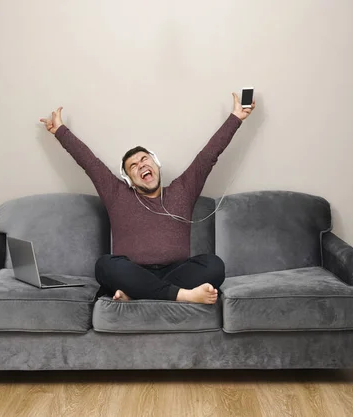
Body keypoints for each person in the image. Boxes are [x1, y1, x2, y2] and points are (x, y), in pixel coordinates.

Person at [40, 93, 256, 304]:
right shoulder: (117, 195)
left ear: (156, 164)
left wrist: (236, 117)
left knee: (214, 264)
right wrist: (60, 130)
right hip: (132, 271)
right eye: (133, 166)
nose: (141, 165)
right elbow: (89, 162)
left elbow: (208, 156)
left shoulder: (182, 190)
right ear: (129, 179)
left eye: (145, 159)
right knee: (105, 265)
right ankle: (181, 296)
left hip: (176, 272)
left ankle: (136, 293)